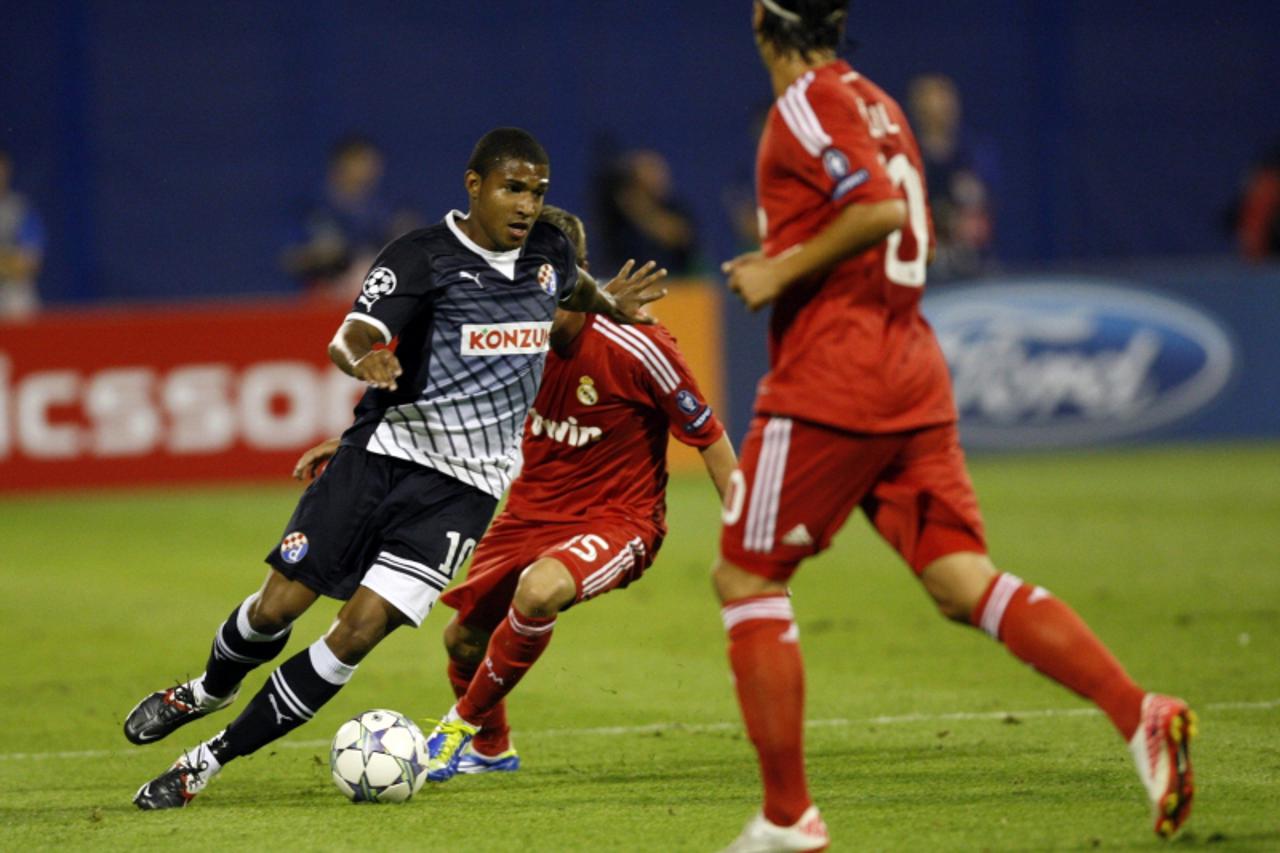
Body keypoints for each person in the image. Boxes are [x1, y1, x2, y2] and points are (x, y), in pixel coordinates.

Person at [714, 3, 1196, 850]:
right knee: (959, 578)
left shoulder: (803, 105)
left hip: (835, 377)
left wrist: (778, 268)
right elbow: (908, 220)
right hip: (910, 362)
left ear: (763, 21)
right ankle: (1140, 714)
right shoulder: (879, 100)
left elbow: (879, 211)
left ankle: (789, 818)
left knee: (747, 578)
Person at [123, 127, 668, 810]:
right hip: (382, 455)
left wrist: (608, 301)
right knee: (277, 607)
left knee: (354, 633)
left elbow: (571, 284)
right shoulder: (420, 256)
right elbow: (350, 332)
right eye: (513, 188)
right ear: (475, 186)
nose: (526, 204)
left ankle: (205, 761)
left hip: (462, 494)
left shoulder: (549, 252)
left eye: (537, 191)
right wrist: (364, 359)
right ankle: (207, 688)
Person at [295, 205, 736, 779]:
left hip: (618, 519)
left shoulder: (637, 344)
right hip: (529, 512)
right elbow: (437, 410)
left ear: (571, 276)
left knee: (538, 591)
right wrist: (354, 444)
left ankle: (456, 728)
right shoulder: (504, 337)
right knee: (462, 639)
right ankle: (491, 749)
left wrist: (752, 540)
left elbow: (710, 437)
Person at [279, 135, 420, 300]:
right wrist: (318, 254)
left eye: (372, 162)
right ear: (341, 164)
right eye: (359, 161)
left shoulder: (389, 207)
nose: (369, 168)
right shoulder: (314, 207)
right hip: (326, 294)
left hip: (378, 296)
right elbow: (290, 259)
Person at [906, 73, 996, 282]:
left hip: (972, 263)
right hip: (923, 264)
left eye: (945, 105)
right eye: (931, 107)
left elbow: (984, 212)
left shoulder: (975, 155)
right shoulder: (907, 156)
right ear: (919, 110)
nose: (940, 113)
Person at [596, 148, 700, 277]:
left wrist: (641, 210)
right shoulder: (618, 219)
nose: (659, 177)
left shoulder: (676, 209)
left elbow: (680, 236)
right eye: (650, 171)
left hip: (675, 285)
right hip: (633, 285)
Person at [0, 148, 46, 320]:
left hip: (13, 293)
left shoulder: (19, 209)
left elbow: (30, 262)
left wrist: (6, 264)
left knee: (21, 300)